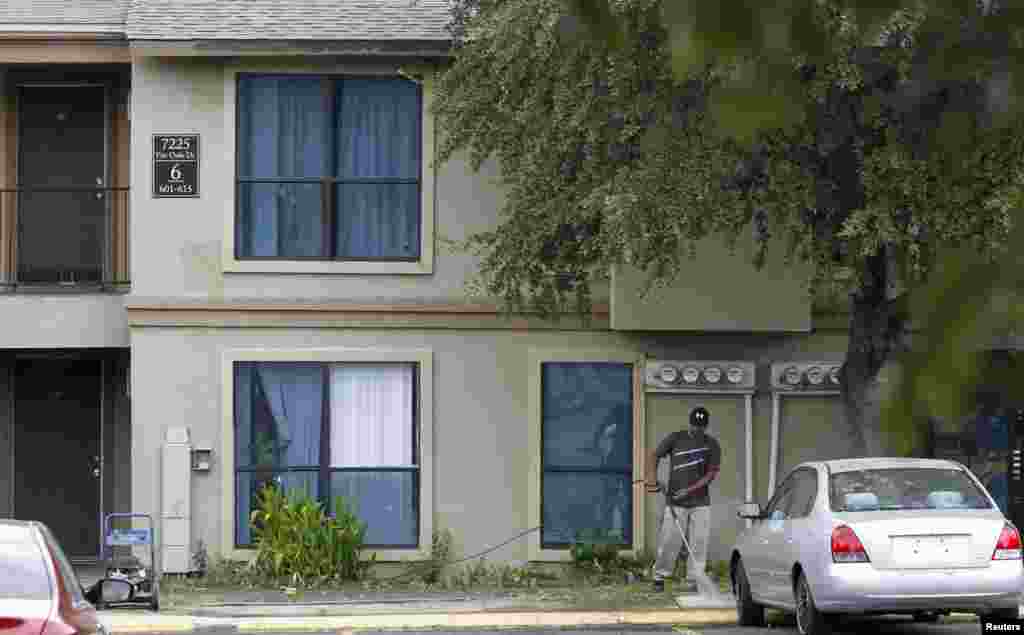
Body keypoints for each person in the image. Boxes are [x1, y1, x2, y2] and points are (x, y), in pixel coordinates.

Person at [645, 406, 722, 593]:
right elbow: (655, 455)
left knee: (698, 543)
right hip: (675, 501)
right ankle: (659, 576)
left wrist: (689, 491)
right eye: (695, 425)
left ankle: (695, 579)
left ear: (706, 426)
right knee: (669, 540)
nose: (697, 429)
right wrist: (652, 479)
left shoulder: (712, 444)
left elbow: (710, 475)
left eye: (701, 426)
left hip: (701, 503)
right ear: (690, 423)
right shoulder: (676, 438)